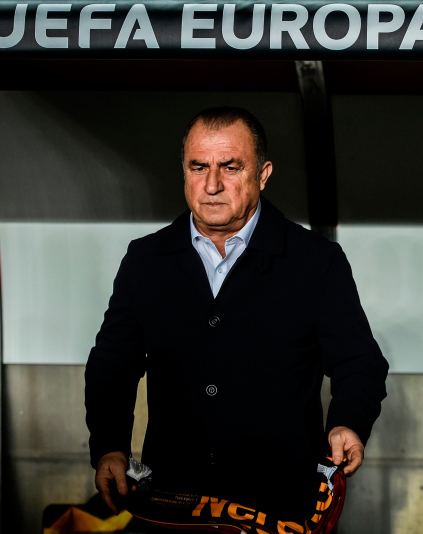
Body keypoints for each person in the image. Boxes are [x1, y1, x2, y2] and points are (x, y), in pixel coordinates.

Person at [84, 107, 388, 521]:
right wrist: (109, 446)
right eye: (198, 167)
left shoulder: (315, 262)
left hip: (279, 507)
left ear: (262, 175)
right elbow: (112, 365)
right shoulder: (146, 260)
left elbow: (359, 363)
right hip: (174, 505)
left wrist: (347, 423)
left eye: (230, 167)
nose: (211, 185)